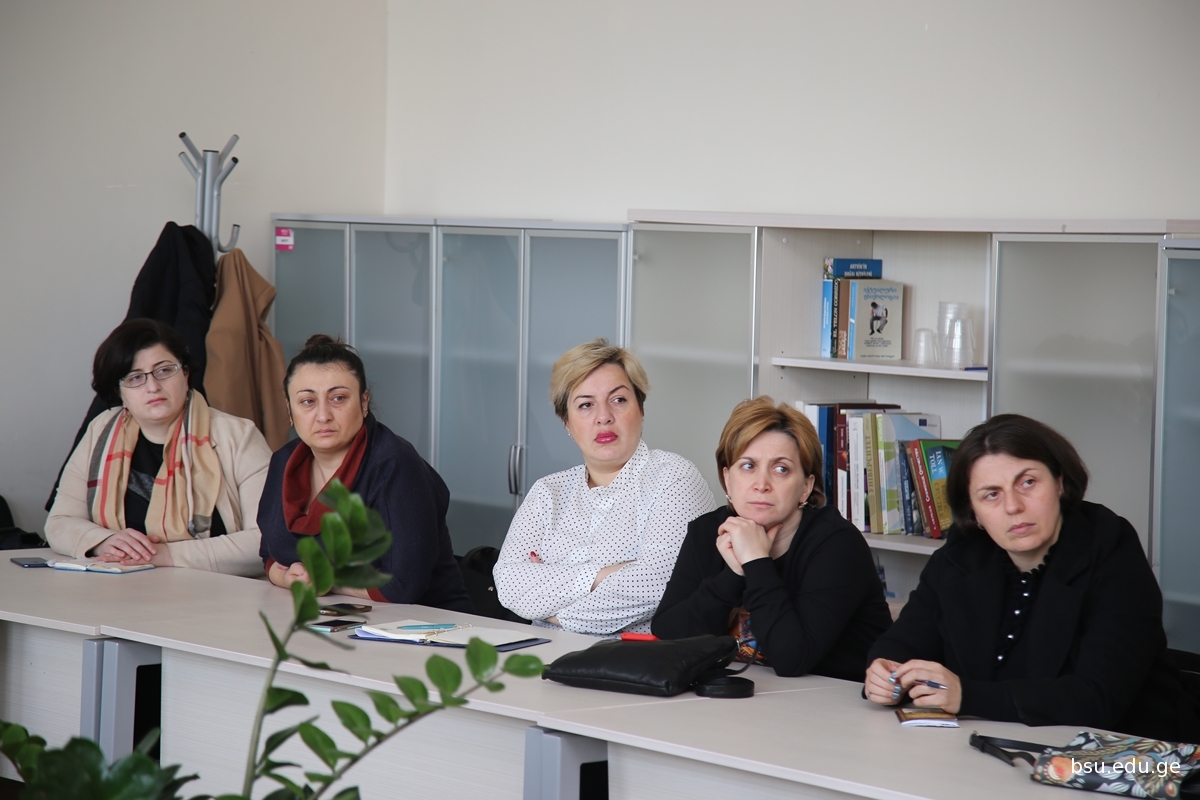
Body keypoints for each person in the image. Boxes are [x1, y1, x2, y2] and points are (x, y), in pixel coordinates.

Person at [865, 414, 1200, 743]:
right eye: (991, 494)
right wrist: (885, 673)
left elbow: (1098, 698)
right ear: (974, 513)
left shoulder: (1111, 549)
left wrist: (966, 696)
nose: (1013, 506)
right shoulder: (962, 555)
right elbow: (901, 643)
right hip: (993, 749)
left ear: (1060, 482)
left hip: (1128, 756)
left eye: (1027, 483)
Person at [652, 397, 891, 679]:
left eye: (781, 469)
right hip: (747, 695)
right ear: (727, 479)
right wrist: (733, 574)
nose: (762, 484)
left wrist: (755, 562)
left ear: (806, 487)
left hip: (832, 698)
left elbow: (793, 659)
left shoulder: (837, 544)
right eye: (748, 466)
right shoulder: (708, 531)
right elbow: (669, 635)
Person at [494, 339, 715, 635]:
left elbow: (657, 584)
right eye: (586, 405)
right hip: (541, 653)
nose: (604, 417)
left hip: (632, 659)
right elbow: (508, 583)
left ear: (641, 408)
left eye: (618, 400)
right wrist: (605, 575)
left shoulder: (674, 478)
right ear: (566, 422)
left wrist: (555, 610)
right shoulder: (549, 491)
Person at [258, 335, 471, 611]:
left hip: (428, 623)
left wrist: (327, 580)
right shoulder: (284, 462)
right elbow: (269, 554)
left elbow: (402, 586)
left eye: (338, 398)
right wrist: (289, 578)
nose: (323, 415)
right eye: (307, 401)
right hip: (332, 617)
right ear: (289, 410)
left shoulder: (393, 464)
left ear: (364, 401)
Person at [46, 319, 271, 574]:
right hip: (117, 590)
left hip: (213, 592)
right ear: (119, 392)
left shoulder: (238, 436)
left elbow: (266, 540)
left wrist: (167, 554)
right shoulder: (101, 431)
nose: (152, 387)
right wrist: (103, 541)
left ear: (185, 374)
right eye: (135, 377)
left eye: (164, 371)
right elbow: (59, 522)